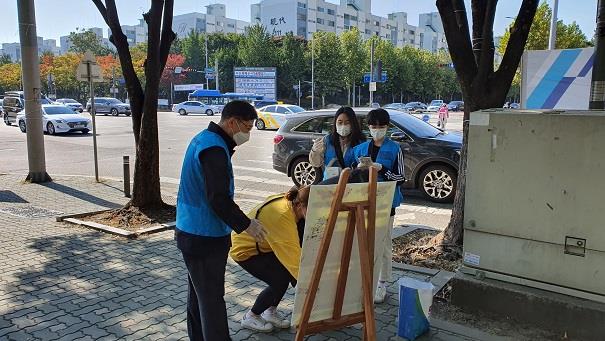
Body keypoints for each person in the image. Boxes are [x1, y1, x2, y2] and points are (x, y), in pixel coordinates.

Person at [175, 100, 268, 341]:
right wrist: (246, 225)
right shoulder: (214, 148)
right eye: (246, 128)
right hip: (204, 236)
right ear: (231, 122)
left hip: (191, 231)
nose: (247, 134)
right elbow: (218, 198)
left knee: (199, 296)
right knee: (212, 300)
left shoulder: (204, 138)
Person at [230, 186, 310, 332]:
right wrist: (312, 286)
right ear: (299, 205)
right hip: (245, 249)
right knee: (278, 280)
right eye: (310, 209)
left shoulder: (290, 203)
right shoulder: (282, 217)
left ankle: (270, 311)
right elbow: (295, 263)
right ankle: (251, 316)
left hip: (265, 245)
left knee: (284, 275)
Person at [352, 108, 405, 304]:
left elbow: (401, 178)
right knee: (364, 243)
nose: (377, 130)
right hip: (364, 201)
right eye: (373, 126)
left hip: (386, 202)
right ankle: (365, 280)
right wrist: (357, 169)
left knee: (383, 244)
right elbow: (349, 173)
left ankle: (382, 283)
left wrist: (382, 169)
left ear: (387, 127)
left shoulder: (394, 149)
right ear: (368, 127)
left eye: (381, 126)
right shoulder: (360, 149)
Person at [309, 107, 365, 180]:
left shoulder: (361, 142)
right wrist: (315, 152)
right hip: (330, 182)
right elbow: (316, 164)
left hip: (352, 184)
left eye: (347, 122)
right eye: (340, 122)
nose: (343, 125)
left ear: (353, 123)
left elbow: (364, 167)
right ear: (335, 123)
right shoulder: (327, 140)